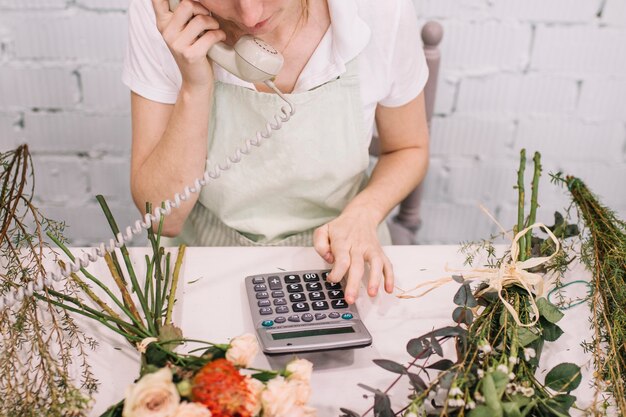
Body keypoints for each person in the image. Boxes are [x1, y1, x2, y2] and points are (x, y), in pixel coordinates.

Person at [122, 0, 430, 305]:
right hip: (205, 258)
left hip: (341, 256)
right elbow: (164, 218)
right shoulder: (164, 14)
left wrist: (364, 213)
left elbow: (408, 147)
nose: (251, 15)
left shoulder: (381, 10)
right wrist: (195, 86)